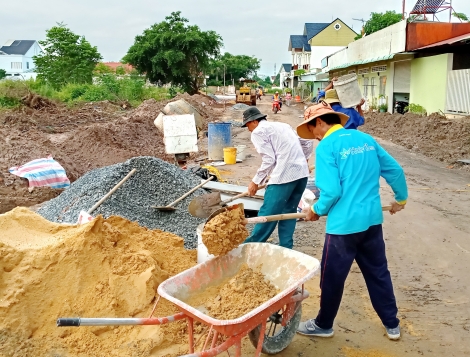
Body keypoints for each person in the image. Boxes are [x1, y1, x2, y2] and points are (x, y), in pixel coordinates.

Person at [295, 102, 407, 340]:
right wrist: (401, 199)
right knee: (378, 273)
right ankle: (392, 324)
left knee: (332, 278)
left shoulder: (327, 147)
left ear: (321, 122)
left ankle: (324, 325)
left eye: (312, 129)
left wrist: (316, 209)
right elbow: (395, 171)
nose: (313, 136)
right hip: (371, 222)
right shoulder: (366, 140)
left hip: (343, 229)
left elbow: (332, 192)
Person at [242, 107, 313, 249]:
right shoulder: (283, 126)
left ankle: (250, 248)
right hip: (301, 175)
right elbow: (306, 141)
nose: (248, 129)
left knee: (267, 214)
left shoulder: (258, 132)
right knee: (289, 213)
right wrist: (304, 159)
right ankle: (286, 248)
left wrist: (255, 182)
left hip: (284, 176)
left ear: (254, 122)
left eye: (248, 125)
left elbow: (269, 159)